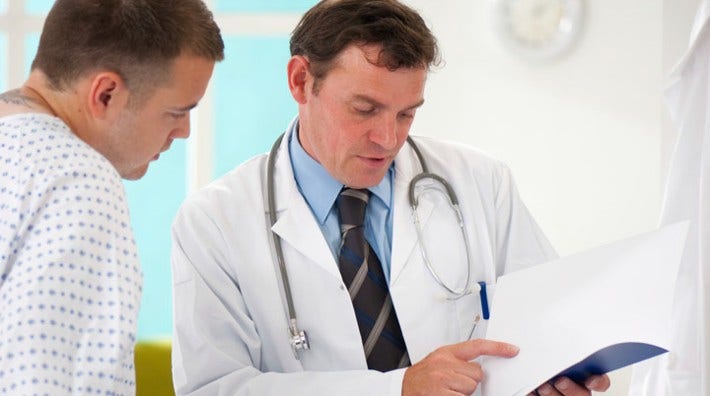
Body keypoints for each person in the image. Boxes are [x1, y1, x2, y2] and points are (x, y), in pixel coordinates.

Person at [170, 1, 609, 395]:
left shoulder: (479, 181)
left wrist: (555, 372)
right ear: (301, 81)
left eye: (406, 114)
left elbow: (544, 322)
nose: (387, 138)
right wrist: (399, 388)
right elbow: (216, 386)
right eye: (364, 109)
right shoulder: (213, 221)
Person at [0, 0, 223, 394]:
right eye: (176, 112)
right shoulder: (78, 183)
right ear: (105, 94)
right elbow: (38, 383)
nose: (185, 131)